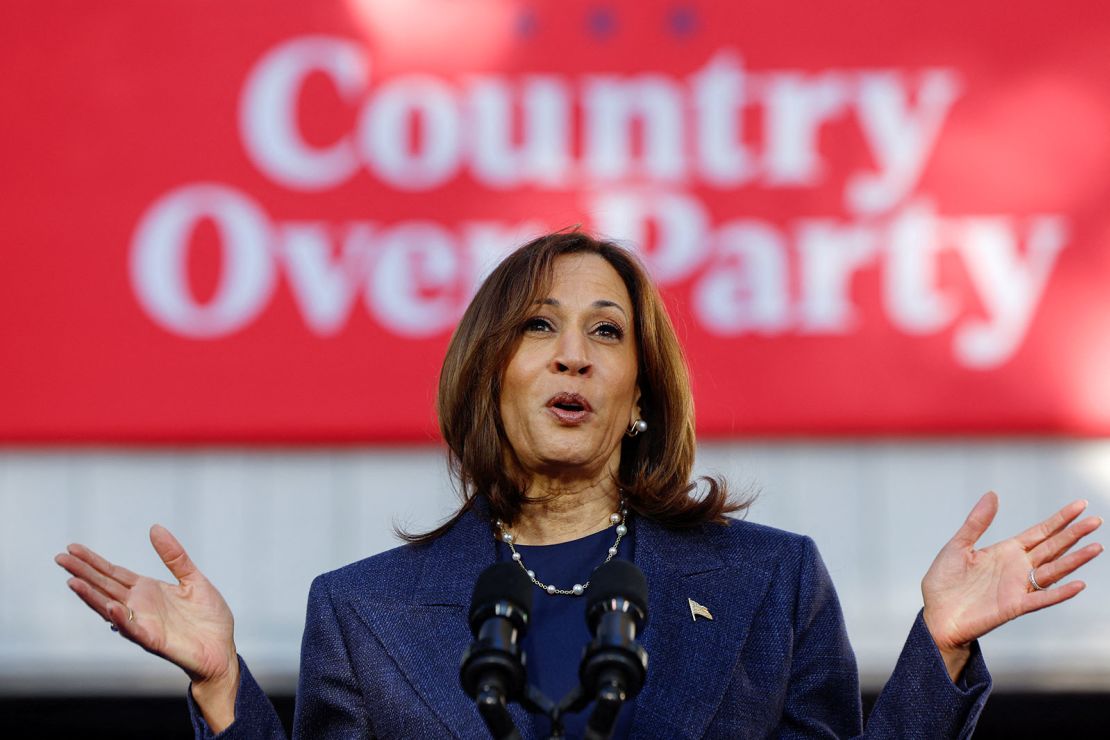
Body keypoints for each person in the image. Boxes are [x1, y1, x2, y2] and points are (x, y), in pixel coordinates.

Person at [56, 231, 1103, 738]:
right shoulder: (362, 611)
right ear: (489, 373)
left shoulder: (770, 581)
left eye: (607, 331)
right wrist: (223, 687)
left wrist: (942, 649)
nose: (573, 355)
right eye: (538, 328)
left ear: (639, 392)